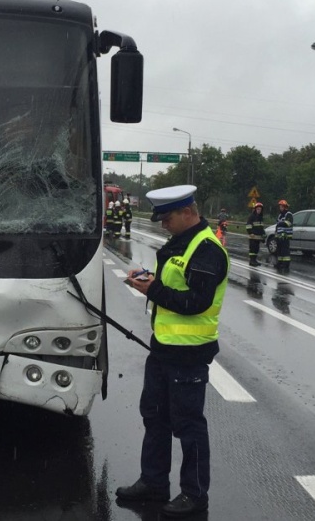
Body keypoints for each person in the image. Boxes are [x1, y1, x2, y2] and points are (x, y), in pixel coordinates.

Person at [117, 184, 229, 518]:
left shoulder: (207, 249)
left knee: (188, 425)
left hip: (190, 353)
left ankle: (195, 495)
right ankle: (153, 483)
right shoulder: (180, 242)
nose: (162, 224)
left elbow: (196, 302)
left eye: (167, 218)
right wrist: (147, 280)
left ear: (187, 213)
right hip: (164, 349)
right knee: (154, 417)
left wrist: (154, 289)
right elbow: (175, 286)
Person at [275, 199, 294, 271]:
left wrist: (280, 223)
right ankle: (280, 263)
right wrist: (276, 234)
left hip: (286, 236)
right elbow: (277, 225)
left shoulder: (289, 214)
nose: (280, 208)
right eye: (280, 206)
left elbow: (288, 223)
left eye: (281, 207)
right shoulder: (280, 215)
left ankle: (286, 265)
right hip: (279, 236)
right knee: (279, 251)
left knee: (285, 251)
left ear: (285, 207)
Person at [246, 201, 265, 266]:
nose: (259, 210)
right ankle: (252, 261)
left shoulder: (261, 218)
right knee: (252, 249)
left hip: (258, 236)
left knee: (256, 249)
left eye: (260, 209)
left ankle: (254, 260)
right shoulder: (252, 216)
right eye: (258, 209)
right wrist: (250, 233)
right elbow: (248, 225)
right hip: (253, 236)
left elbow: (261, 227)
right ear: (255, 209)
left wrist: (263, 234)